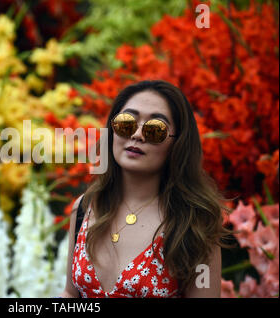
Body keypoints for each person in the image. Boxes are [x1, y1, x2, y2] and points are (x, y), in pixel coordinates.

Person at [59, 80, 234, 298]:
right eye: (126, 123)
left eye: (155, 129)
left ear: (177, 143)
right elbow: (70, 294)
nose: (137, 134)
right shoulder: (86, 207)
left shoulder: (196, 222)